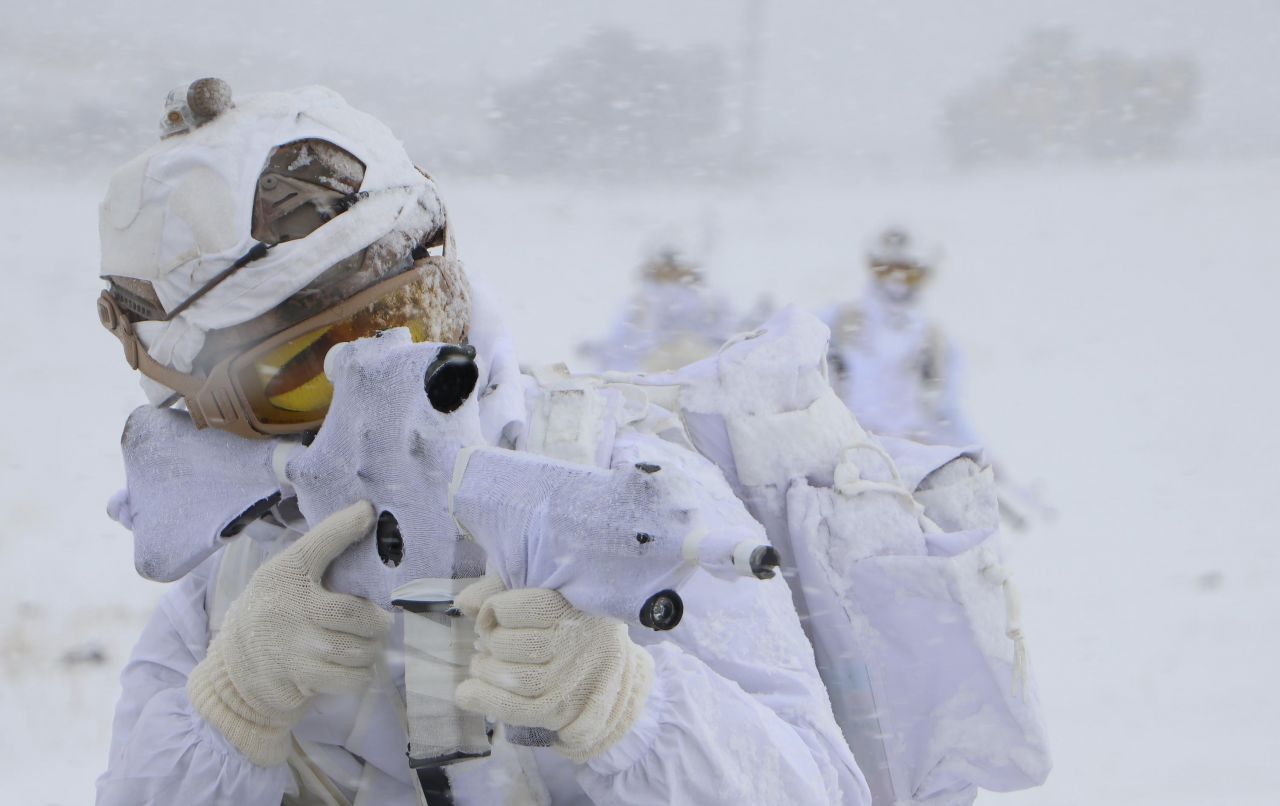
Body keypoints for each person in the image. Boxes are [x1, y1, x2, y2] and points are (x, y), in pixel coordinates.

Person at [94, 80, 868, 805]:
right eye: (315, 372)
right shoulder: (233, 587)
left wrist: (626, 706)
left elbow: (817, 788)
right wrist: (232, 711)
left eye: (416, 318)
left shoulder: (627, 490)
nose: (396, 382)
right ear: (211, 402)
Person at [577, 249, 766, 372]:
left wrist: (753, 326)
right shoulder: (643, 299)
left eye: (676, 268)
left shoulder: (710, 298)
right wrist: (598, 349)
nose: (671, 272)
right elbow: (622, 338)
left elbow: (729, 329)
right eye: (666, 268)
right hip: (656, 362)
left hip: (702, 358)